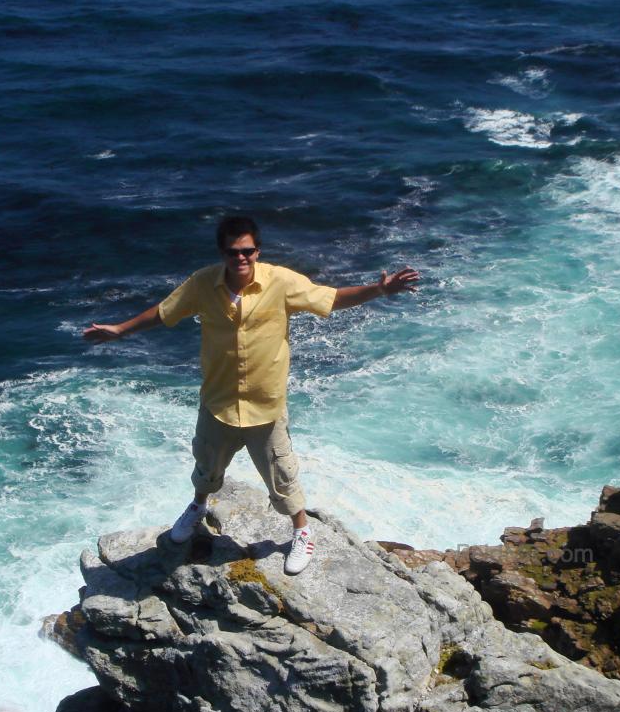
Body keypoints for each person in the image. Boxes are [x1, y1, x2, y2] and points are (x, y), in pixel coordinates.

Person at [83, 216, 419, 575]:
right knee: (207, 468)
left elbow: (331, 299)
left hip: (265, 406)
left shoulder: (281, 282)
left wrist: (379, 290)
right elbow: (165, 313)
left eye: (247, 251)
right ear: (222, 252)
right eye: (233, 251)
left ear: (257, 251)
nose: (240, 258)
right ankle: (197, 508)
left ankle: (302, 531)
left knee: (282, 475)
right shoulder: (202, 284)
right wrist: (120, 330)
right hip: (219, 402)